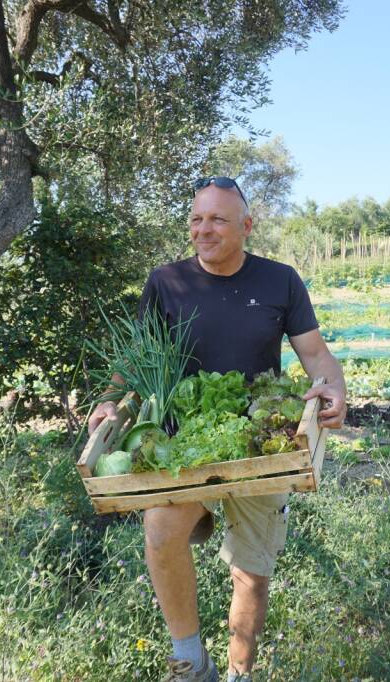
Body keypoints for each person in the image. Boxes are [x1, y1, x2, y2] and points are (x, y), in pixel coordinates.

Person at [88, 176, 347, 682]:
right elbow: (135, 361)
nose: (203, 230)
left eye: (217, 220)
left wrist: (333, 389)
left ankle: (238, 674)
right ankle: (191, 662)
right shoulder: (167, 282)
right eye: (196, 219)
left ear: (247, 227)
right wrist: (107, 402)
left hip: (258, 447)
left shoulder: (280, 281)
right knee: (160, 530)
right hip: (185, 445)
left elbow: (316, 355)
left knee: (250, 571)